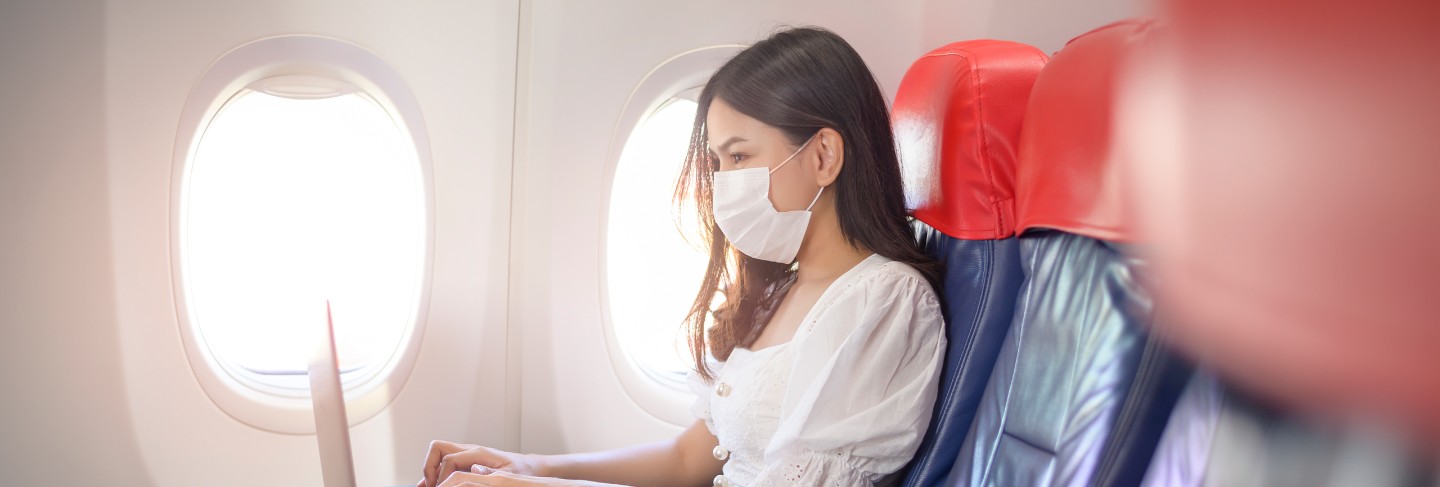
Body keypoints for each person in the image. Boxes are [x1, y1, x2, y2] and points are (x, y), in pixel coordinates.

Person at [419, 26, 945, 487]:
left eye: (740, 156)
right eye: (717, 161)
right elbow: (690, 457)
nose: (722, 183)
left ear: (824, 155)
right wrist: (532, 467)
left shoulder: (885, 304)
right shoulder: (781, 290)